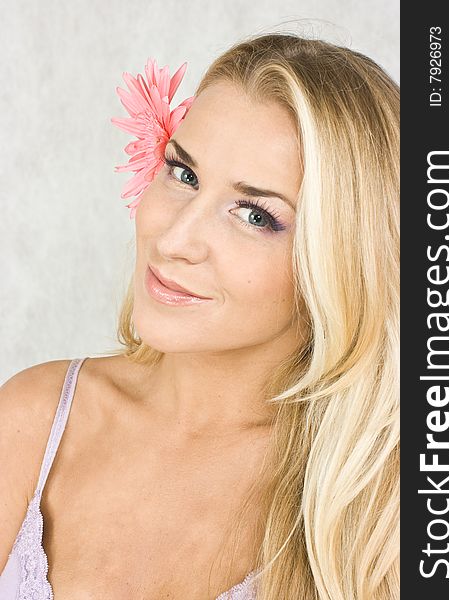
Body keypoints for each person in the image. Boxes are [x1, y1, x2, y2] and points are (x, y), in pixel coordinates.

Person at [0, 31, 399, 599]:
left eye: (255, 215)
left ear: (343, 261)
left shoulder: (380, 517)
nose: (176, 237)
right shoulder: (31, 421)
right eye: (183, 174)